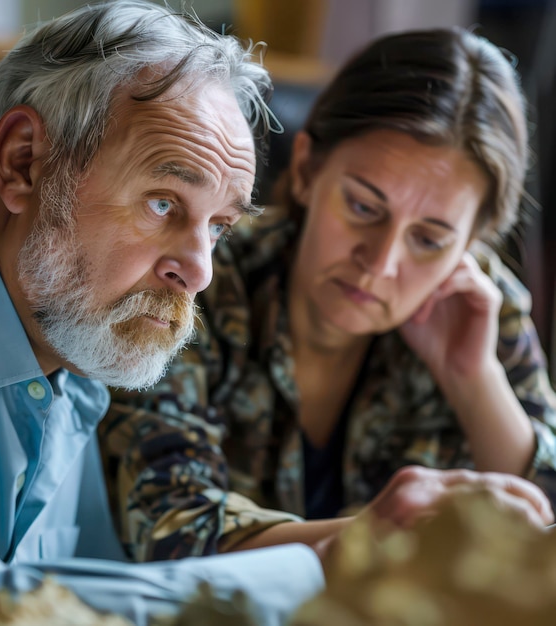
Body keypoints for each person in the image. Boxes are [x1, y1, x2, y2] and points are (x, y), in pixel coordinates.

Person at [0, 1, 331, 623]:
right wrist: (323, 567)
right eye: (164, 203)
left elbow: (81, 596)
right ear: (23, 162)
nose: (199, 271)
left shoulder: (73, 351)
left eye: (219, 226)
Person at [99, 26, 556, 564]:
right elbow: (165, 524)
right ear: (308, 169)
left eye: (430, 239)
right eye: (363, 207)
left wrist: (475, 381)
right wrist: (380, 534)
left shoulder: (479, 305)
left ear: (472, 241)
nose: (380, 264)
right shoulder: (202, 271)